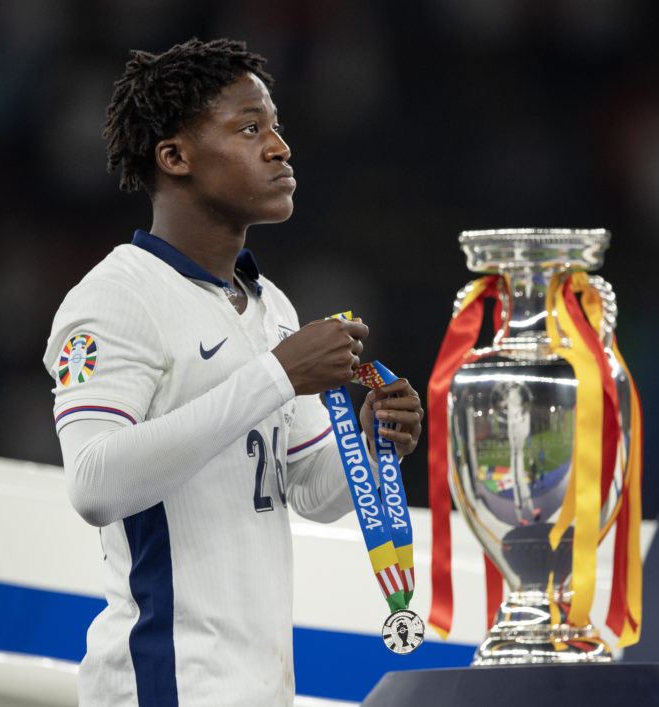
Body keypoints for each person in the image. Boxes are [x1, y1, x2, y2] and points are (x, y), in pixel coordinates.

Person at [42, 38, 424, 706]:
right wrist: (276, 375)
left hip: (260, 688)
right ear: (175, 157)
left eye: (276, 128)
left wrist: (370, 442)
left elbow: (309, 490)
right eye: (251, 129)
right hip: (164, 684)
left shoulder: (271, 304)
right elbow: (94, 483)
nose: (279, 147)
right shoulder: (117, 296)